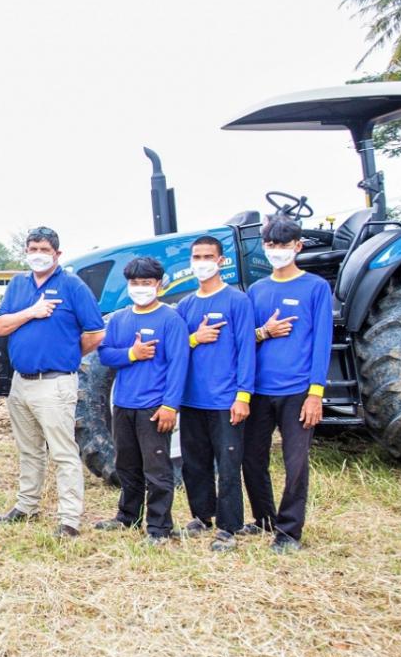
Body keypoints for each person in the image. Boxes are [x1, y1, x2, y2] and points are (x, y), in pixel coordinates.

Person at [0, 226, 104, 538]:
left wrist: (68, 353)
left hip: (55, 383)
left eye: (44, 250)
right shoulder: (18, 285)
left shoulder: (73, 286)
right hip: (21, 383)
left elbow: (95, 333)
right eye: (32, 249)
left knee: (63, 452)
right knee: (28, 450)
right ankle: (26, 505)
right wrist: (31, 312)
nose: (37, 255)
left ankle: (69, 518)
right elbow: (0, 326)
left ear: (57, 254)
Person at [242, 215, 333, 553]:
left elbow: (322, 342)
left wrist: (315, 393)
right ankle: (264, 518)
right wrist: (265, 331)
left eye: (283, 245)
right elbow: (244, 339)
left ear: (298, 246)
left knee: (295, 464)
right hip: (259, 391)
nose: (276, 251)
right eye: (271, 245)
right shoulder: (257, 290)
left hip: (297, 392)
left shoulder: (316, 288)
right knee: (251, 459)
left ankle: (289, 531)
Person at [94, 256, 189, 545]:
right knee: (127, 465)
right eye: (135, 283)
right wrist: (132, 354)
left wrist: (170, 405)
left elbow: (178, 365)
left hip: (154, 406)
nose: (140, 288)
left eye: (146, 283)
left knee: (157, 469)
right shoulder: (121, 319)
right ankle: (127, 516)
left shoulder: (170, 319)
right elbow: (105, 355)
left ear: (159, 285)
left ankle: (159, 527)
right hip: (123, 404)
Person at [175, 235, 255, 553]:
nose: (202, 262)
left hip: (225, 399)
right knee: (195, 463)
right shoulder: (185, 306)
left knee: (228, 463)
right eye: (197, 257)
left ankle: (229, 526)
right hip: (191, 398)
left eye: (209, 256)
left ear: (221, 261)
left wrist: (243, 396)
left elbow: (247, 350)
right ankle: (201, 516)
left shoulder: (237, 302)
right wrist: (195, 338)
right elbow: (176, 349)